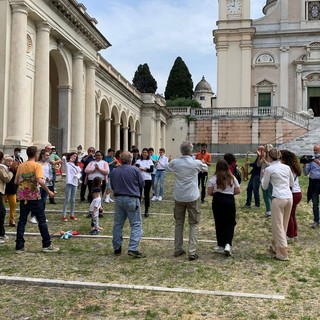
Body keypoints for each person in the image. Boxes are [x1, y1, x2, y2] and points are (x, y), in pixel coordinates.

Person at [165, 141, 208, 260]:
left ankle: (177, 249)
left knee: (179, 223)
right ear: (191, 151)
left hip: (179, 196)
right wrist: (202, 162)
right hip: (192, 196)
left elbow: (167, 167)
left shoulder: (175, 162)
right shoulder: (195, 163)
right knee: (193, 224)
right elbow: (205, 168)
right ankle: (192, 251)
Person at [15, 146, 59, 253]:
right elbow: (40, 181)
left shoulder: (21, 165)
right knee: (42, 221)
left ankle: (19, 246)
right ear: (35, 154)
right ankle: (47, 244)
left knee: (22, 221)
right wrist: (49, 191)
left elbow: (16, 182)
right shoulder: (36, 166)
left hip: (23, 197)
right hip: (34, 196)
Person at [261, 148, 293, 261]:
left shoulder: (269, 169)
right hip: (289, 197)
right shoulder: (287, 167)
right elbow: (291, 183)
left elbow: (264, 187)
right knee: (283, 224)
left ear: (269, 156)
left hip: (278, 198)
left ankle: (283, 252)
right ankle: (276, 246)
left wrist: (263, 176)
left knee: (278, 225)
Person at [111, 151, 144, 258]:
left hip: (119, 198)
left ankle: (117, 247)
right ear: (130, 160)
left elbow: (112, 185)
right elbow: (141, 183)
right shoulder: (135, 170)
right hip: (132, 198)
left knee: (118, 224)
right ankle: (133, 248)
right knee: (136, 224)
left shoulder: (115, 171)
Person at [207, 159, 240, 257]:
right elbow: (238, 190)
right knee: (230, 222)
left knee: (219, 222)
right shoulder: (232, 178)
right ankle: (228, 244)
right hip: (229, 200)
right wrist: (229, 193)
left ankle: (220, 244)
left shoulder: (214, 178)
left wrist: (216, 193)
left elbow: (209, 192)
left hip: (218, 200)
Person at [280, 150, 302, 242]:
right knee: (292, 214)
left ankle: (290, 235)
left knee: (288, 215)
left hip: (292, 193)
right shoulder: (294, 167)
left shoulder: (287, 168)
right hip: (297, 192)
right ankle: (294, 234)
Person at [61, 152, 82, 222]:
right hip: (69, 182)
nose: (74, 157)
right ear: (70, 156)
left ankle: (72, 214)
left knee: (73, 200)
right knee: (67, 199)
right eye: (73, 156)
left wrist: (77, 175)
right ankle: (64, 215)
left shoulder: (77, 166)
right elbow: (63, 159)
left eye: (76, 157)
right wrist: (66, 157)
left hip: (75, 183)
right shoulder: (67, 164)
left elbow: (80, 173)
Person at [303, 144, 320, 228]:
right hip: (313, 183)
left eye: (317, 150)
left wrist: (318, 163)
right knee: (315, 203)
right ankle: (316, 220)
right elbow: (306, 173)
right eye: (314, 150)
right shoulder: (311, 160)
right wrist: (305, 165)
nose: (315, 152)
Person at [135, 148, 154, 217]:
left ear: (148, 153)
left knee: (146, 195)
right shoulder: (138, 160)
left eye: (146, 152)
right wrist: (145, 168)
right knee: (138, 194)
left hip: (147, 179)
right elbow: (137, 167)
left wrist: (144, 169)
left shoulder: (150, 161)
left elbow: (151, 170)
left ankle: (146, 210)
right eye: (143, 152)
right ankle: (138, 210)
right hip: (140, 179)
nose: (144, 153)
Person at [0, 153, 14, 243]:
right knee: (1, 212)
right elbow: (6, 178)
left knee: (2, 212)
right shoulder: (1, 168)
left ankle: (1, 233)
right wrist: (10, 172)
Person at [3, 155, 19, 227]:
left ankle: (12, 220)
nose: (10, 162)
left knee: (13, 205)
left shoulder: (15, 170)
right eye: (8, 161)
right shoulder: (3, 168)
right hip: (4, 191)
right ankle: (1, 220)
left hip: (12, 190)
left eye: (11, 161)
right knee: (2, 206)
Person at [37, 149, 53, 221]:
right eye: (46, 155)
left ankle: (42, 215)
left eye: (48, 155)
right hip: (39, 184)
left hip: (46, 184)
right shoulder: (38, 164)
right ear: (42, 155)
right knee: (38, 201)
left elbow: (50, 174)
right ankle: (34, 216)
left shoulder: (48, 165)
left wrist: (49, 178)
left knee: (43, 200)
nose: (48, 157)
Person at [258, 144, 273, 217]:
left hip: (270, 178)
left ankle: (274, 209)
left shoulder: (272, 158)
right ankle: (268, 210)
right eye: (265, 149)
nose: (266, 151)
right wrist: (259, 157)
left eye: (267, 149)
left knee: (270, 194)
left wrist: (265, 161)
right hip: (262, 177)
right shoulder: (263, 156)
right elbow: (258, 165)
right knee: (265, 195)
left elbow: (271, 166)